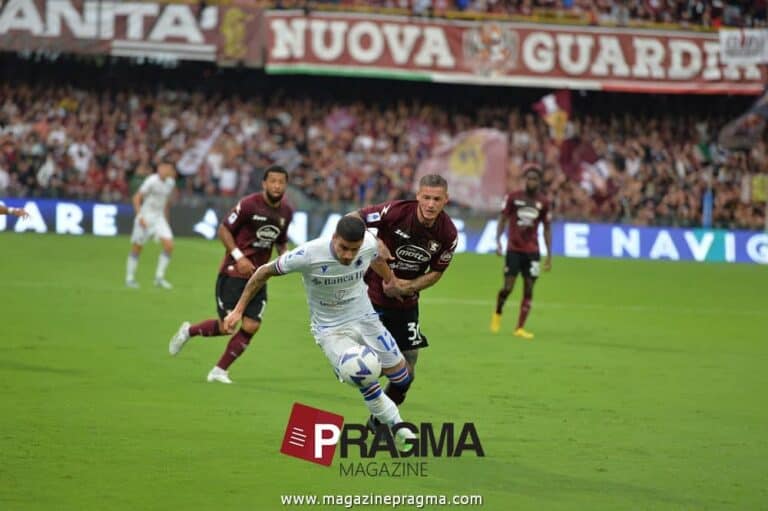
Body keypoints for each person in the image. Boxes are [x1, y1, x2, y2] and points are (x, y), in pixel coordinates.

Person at [221, 216, 416, 446]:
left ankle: (353, 376)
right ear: (334, 238)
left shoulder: (369, 244)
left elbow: (376, 258)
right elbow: (263, 272)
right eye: (343, 247)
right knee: (364, 377)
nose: (347, 255)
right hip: (330, 329)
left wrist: (390, 281)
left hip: (365, 319)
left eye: (353, 250)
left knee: (402, 377)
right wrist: (238, 310)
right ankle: (399, 427)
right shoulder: (308, 254)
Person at [168, 165, 293, 384]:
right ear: (264, 183)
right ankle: (189, 331)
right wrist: (239, 256)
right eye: (272, 181)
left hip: (258, 277)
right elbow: (224, 229)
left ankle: (219, 370)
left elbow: (281, 241)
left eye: (281, 182)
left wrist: (288, 257)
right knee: (228, 326)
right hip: (233, 273)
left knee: (252, 324)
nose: (277, 185)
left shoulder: (286, 212)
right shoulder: (248, 204)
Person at [350, 174, 457, 413]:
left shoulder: (447, 233)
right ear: (418, 196)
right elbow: (352, 218)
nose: (431, 204)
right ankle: (353, 367)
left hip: (406, 304)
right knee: (373, 363)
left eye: (437, 199)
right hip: (372, 297)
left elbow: (437, 272)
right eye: (426, 197)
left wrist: (405, 288)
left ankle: (379, 421)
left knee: (407, 373)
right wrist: (372, 240)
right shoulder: (396, 212)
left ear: (445, 200)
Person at [491, 164, 552, 339]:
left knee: (529, 288)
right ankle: (498, 313)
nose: (531, 181)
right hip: (514, 250)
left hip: (533, 252)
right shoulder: (513, 197)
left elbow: (547, 228)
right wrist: (497, 241)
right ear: (525, 180)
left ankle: (520, 328)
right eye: (529, 178)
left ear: (539, 182)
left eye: (535, 179)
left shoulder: (544, 202)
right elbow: (502, 219)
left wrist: (549, 255)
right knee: (508, 287)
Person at [125, 161, 177, 289]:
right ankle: (129, 278)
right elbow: (136, 198)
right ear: (160, 168)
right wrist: (139, 216)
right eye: (166, 168)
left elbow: (165, 203)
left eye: (169, 169)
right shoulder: (151, 181)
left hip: (159, 218)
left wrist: (166, 220)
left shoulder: (170, 183)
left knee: (169, 246)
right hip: (146, 216)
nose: (168, 171)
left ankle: (159, 278)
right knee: (138, 247)